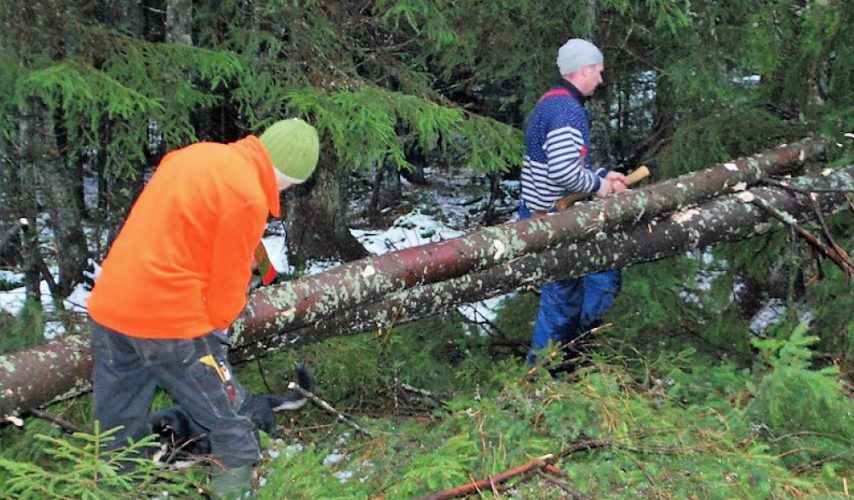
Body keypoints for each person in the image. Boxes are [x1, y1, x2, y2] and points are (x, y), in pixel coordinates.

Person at [87, 118, 320, 498]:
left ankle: (111, 492)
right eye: (290, 185)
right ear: (289, 177)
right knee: (229, 425)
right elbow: (229, 284)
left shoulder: (194, 156)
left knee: (117, 429)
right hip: (169, 321)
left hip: (110, 307)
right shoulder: (248, 194)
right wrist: (212, 339)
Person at [519, 38, 627, 366]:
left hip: (554, 212)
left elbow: (567, 165)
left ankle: (570, 354)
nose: (601, 79)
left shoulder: (555, 103)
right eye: (598, 71)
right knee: (561, 307)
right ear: (583, 70)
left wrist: (604, 175)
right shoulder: (566, 110)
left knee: (603, 278)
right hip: (551, 220)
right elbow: (565, 173)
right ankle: (536, 382)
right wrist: (600, 187)